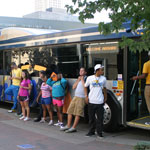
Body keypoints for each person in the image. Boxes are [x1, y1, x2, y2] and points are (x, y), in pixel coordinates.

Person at [60, 67, 87, 133]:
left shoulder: (87, 78)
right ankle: (68, 125)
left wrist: (82, 80)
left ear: (85, 72)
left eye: (82, 71)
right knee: (69, 110)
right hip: (75, 96)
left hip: (81, 97)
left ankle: (73, 127)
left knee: (78, 113)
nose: (80, 72)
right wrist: (78, 80)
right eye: (80, 70)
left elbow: (85, 87)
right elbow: (73, 87)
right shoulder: (79, 78)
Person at [84, 64, 107, 139]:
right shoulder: (89, 78)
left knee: (100, 118)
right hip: (91, 101)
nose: (102, 71)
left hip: (100, 101)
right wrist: (86, 96)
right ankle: (91, 131)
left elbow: (104, 88)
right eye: (101, 70)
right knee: (91, 118)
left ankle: (99, 133)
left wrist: (105, 97)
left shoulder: (103, 79)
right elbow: (85, 86)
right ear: (97, 70)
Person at [132, 51, 150, 125]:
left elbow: (144, 75)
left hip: (149, 86)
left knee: (149, 104)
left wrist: (135, 77)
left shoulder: (147, 64)